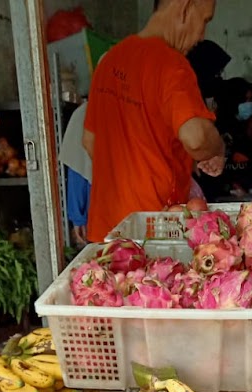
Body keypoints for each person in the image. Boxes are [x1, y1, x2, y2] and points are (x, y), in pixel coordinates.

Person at [82, 0, 225, 242]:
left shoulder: (108, 62)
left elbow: (89, 141)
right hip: (152, 236)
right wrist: (218, 147)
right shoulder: (171, 64)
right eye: (205, 21)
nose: (202, 36)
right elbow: (197, 139)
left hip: (107, 234)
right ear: (184, 8)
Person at [59, 101, 92, 246]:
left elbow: (78, 169)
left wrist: (78, 218)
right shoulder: (143, 106)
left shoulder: (85, 112)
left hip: (100, 215)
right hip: (144, 210)